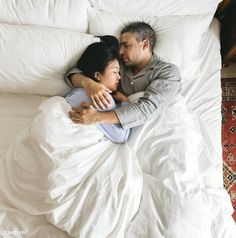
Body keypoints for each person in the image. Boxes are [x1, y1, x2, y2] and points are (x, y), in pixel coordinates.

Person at [65, 21, 181, 130]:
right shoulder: (119, 63)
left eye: (126, 45)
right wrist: (89, 84)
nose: (120, 51)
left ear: (145, 44)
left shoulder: (167, 71)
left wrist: (97, 117)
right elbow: (75, 71)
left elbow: (148, 108)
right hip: (110, 122)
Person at [65, 35, 132, 143]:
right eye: (115, 72)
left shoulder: (78, 90)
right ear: (98, 75)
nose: (119, 77)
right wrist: (125, 101)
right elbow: (121, 136)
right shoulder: (102, 98)